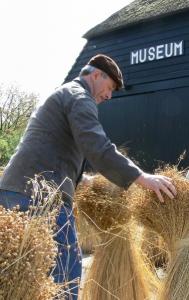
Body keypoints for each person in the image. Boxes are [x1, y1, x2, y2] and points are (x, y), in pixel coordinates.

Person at [0, 54, 176, 299]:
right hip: (40, 197)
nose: (109, 95)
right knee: (65, 271)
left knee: (23, 279)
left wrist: (81, 180)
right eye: (110, 87)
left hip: (14, 192)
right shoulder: (79, 96)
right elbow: (97, 146)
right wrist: (142, 177)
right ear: (96, 76)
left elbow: (47, 148)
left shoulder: (63, 95)